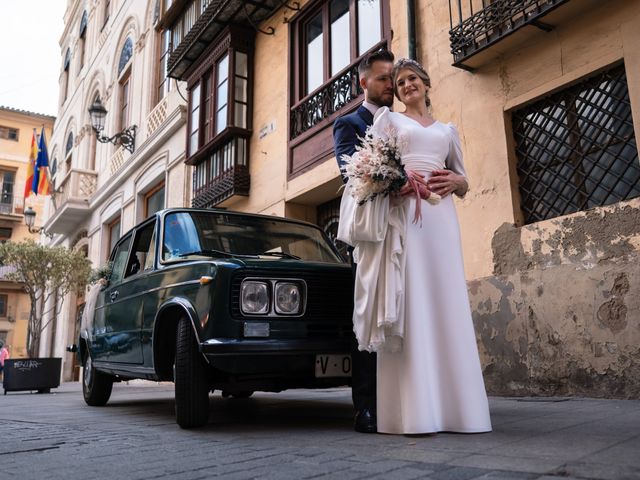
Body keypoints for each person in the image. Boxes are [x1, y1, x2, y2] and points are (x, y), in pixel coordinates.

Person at [363, 58, 492, 434]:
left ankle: (460, 411)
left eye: (412, 79)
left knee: (447, 299)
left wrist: (457, 180)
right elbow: (372, 172)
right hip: (407, 219)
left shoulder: (448, 130)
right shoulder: (388, 121)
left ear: (426, 83)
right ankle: (415, 412)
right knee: (413, 300)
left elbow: (465, 182)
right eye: (400, 81)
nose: (406, 85)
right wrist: (394, 186)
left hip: (442, 221)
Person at [332, 48, 396, 433]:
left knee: (398, 314)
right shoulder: (348, 123)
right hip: (370, 235)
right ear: (364, 83)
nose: (391, 84)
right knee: (368, 320)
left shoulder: (401, 124)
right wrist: (395, 178)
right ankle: (366, 407)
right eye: (384, 78)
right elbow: (349, 175)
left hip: (403, 232)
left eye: (393, 78)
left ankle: (401, 399)